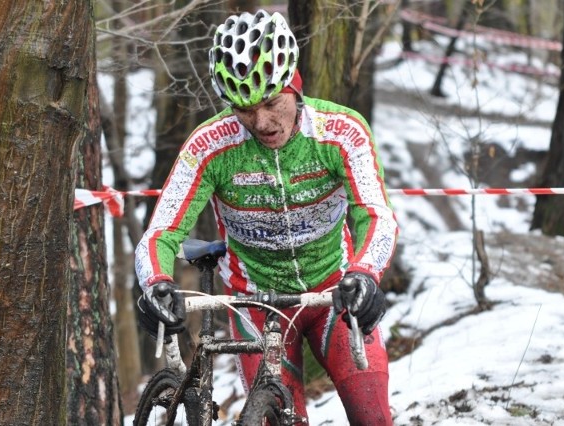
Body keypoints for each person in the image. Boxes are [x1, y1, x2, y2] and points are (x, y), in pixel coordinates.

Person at [135, 9, 398, 425]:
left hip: (334, 292)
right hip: (253, 301)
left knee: (373, 416)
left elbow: (376, 215)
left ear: (294, 85)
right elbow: (161, 232)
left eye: (271, 102)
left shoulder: (341, 132)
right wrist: (156, 282)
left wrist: (366, 273)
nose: (261, 121)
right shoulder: (209, 145)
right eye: (244, 108)